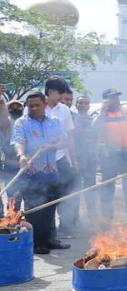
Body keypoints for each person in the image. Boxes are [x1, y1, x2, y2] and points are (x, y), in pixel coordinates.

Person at [12, 93, 68, 254]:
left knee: (51, 207)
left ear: (44, 104)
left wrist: (51, 146)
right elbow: (18, 141)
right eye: (31, 106)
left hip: (51, 172)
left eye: (37, 105)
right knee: (35, 210)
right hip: (32, 174)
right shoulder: (22, 123)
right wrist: (21, 155)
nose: (34, 108)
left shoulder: (54, 121)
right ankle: (38, 243)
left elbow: (63, 141)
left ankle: (51, 240)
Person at [93, 88, 127, 224]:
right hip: (110, 156)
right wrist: (103, 111)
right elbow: (94, 129)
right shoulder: (101, 114)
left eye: (117, 97)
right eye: (112, 97)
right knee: (108, 188)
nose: (116, 100)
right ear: (106, 100)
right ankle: (107, 218)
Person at [44, 77, 78, 239]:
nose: (62, 97)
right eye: (59, 93)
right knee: (48, 197)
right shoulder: (37, 107)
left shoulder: (64, 110)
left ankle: (64, 229)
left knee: (66, 194)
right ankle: (49, 232)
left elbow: (70, 137)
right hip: (43, 162)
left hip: (61, 158)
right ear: (50, 92)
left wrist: (73, 160)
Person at [73, 96, 98, 219]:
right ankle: (75, 217)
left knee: (90, 188)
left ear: (89, 105)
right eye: (80, 103)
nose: (83, 105)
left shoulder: (94, 119)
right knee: (75, 190)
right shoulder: (71, 120)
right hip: (76, 159)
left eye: (86, 103)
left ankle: (92, 216)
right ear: (76, 105)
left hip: (90, 159)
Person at [1, 99, 24, 210]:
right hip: (9, 163)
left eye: (18, 107)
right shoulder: (5, 123)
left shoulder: (25, 122)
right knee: (10, 192)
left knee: (20, 193)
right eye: (12, 107)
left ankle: (17, 215)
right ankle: (11, 216)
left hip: (23, 163)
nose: (16, 109)